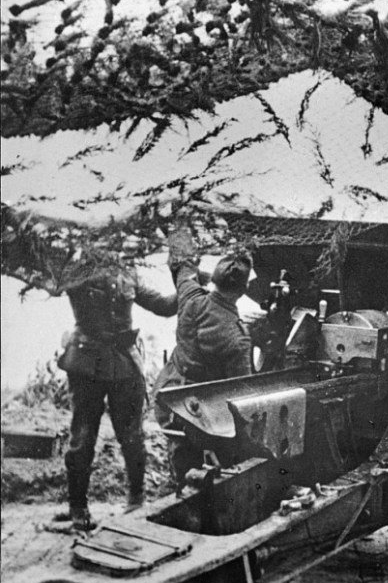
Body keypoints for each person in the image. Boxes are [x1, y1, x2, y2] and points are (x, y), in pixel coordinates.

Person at [55, 235, 177, 530]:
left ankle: (137, 501)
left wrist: (186, 279)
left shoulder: (128, 273)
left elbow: (163, 305)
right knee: (83, 436)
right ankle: (78, 508)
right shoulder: (75, 272)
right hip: (86, 364)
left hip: (123, 363)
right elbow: (50, 275)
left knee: (132, 436)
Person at [152, 227, 255, 484]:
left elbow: (184, 266)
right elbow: (243, 392)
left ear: (214, 281)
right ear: (243, 291)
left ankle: (179, 482)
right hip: (203, 413)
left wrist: (177, 229)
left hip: (170, 397)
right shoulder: (237, 336)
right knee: (230, 454)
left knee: (182, 454)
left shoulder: (190, 298)